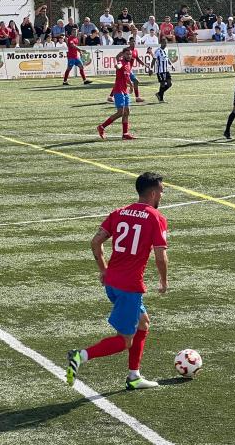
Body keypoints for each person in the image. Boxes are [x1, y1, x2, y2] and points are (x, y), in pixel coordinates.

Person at [66, 171, 168, 390]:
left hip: (112, 283)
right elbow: (160, 255)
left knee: (143, 322)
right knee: (125, 340)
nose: (163, 192)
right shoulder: (156, 217)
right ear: (152, 193)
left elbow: (95, 242)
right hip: (129, 287)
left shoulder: (119, 212)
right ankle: (80, 355)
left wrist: (103, 270)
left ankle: (134, 376)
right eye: (161, 189)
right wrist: (163, 280)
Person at [97, 48, 136, 140]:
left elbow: (127, 76)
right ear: (123, 54)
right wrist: (117, 65)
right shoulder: (121, 62)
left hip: (124, 91)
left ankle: (125, 133)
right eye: (127, 54)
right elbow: (118, 65)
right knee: (120, 112)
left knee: (127, 112)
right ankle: (101, 127)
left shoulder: (128, 63)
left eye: (130, 54)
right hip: (118, 90)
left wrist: (131, 86)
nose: (129, 56)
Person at [151, 37, 175, 102]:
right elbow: (154, 60)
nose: (165, 44)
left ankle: (159, 94)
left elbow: (167, 58)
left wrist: (171, 65)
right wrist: (151, 69)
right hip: (160, 71)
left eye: (166, 43)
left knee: (169, 84)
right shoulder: (157, 51)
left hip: (166, 70)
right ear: (161, 43)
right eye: (164, 43)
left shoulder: (166, 49)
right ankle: (161, 99)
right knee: (162, 84)